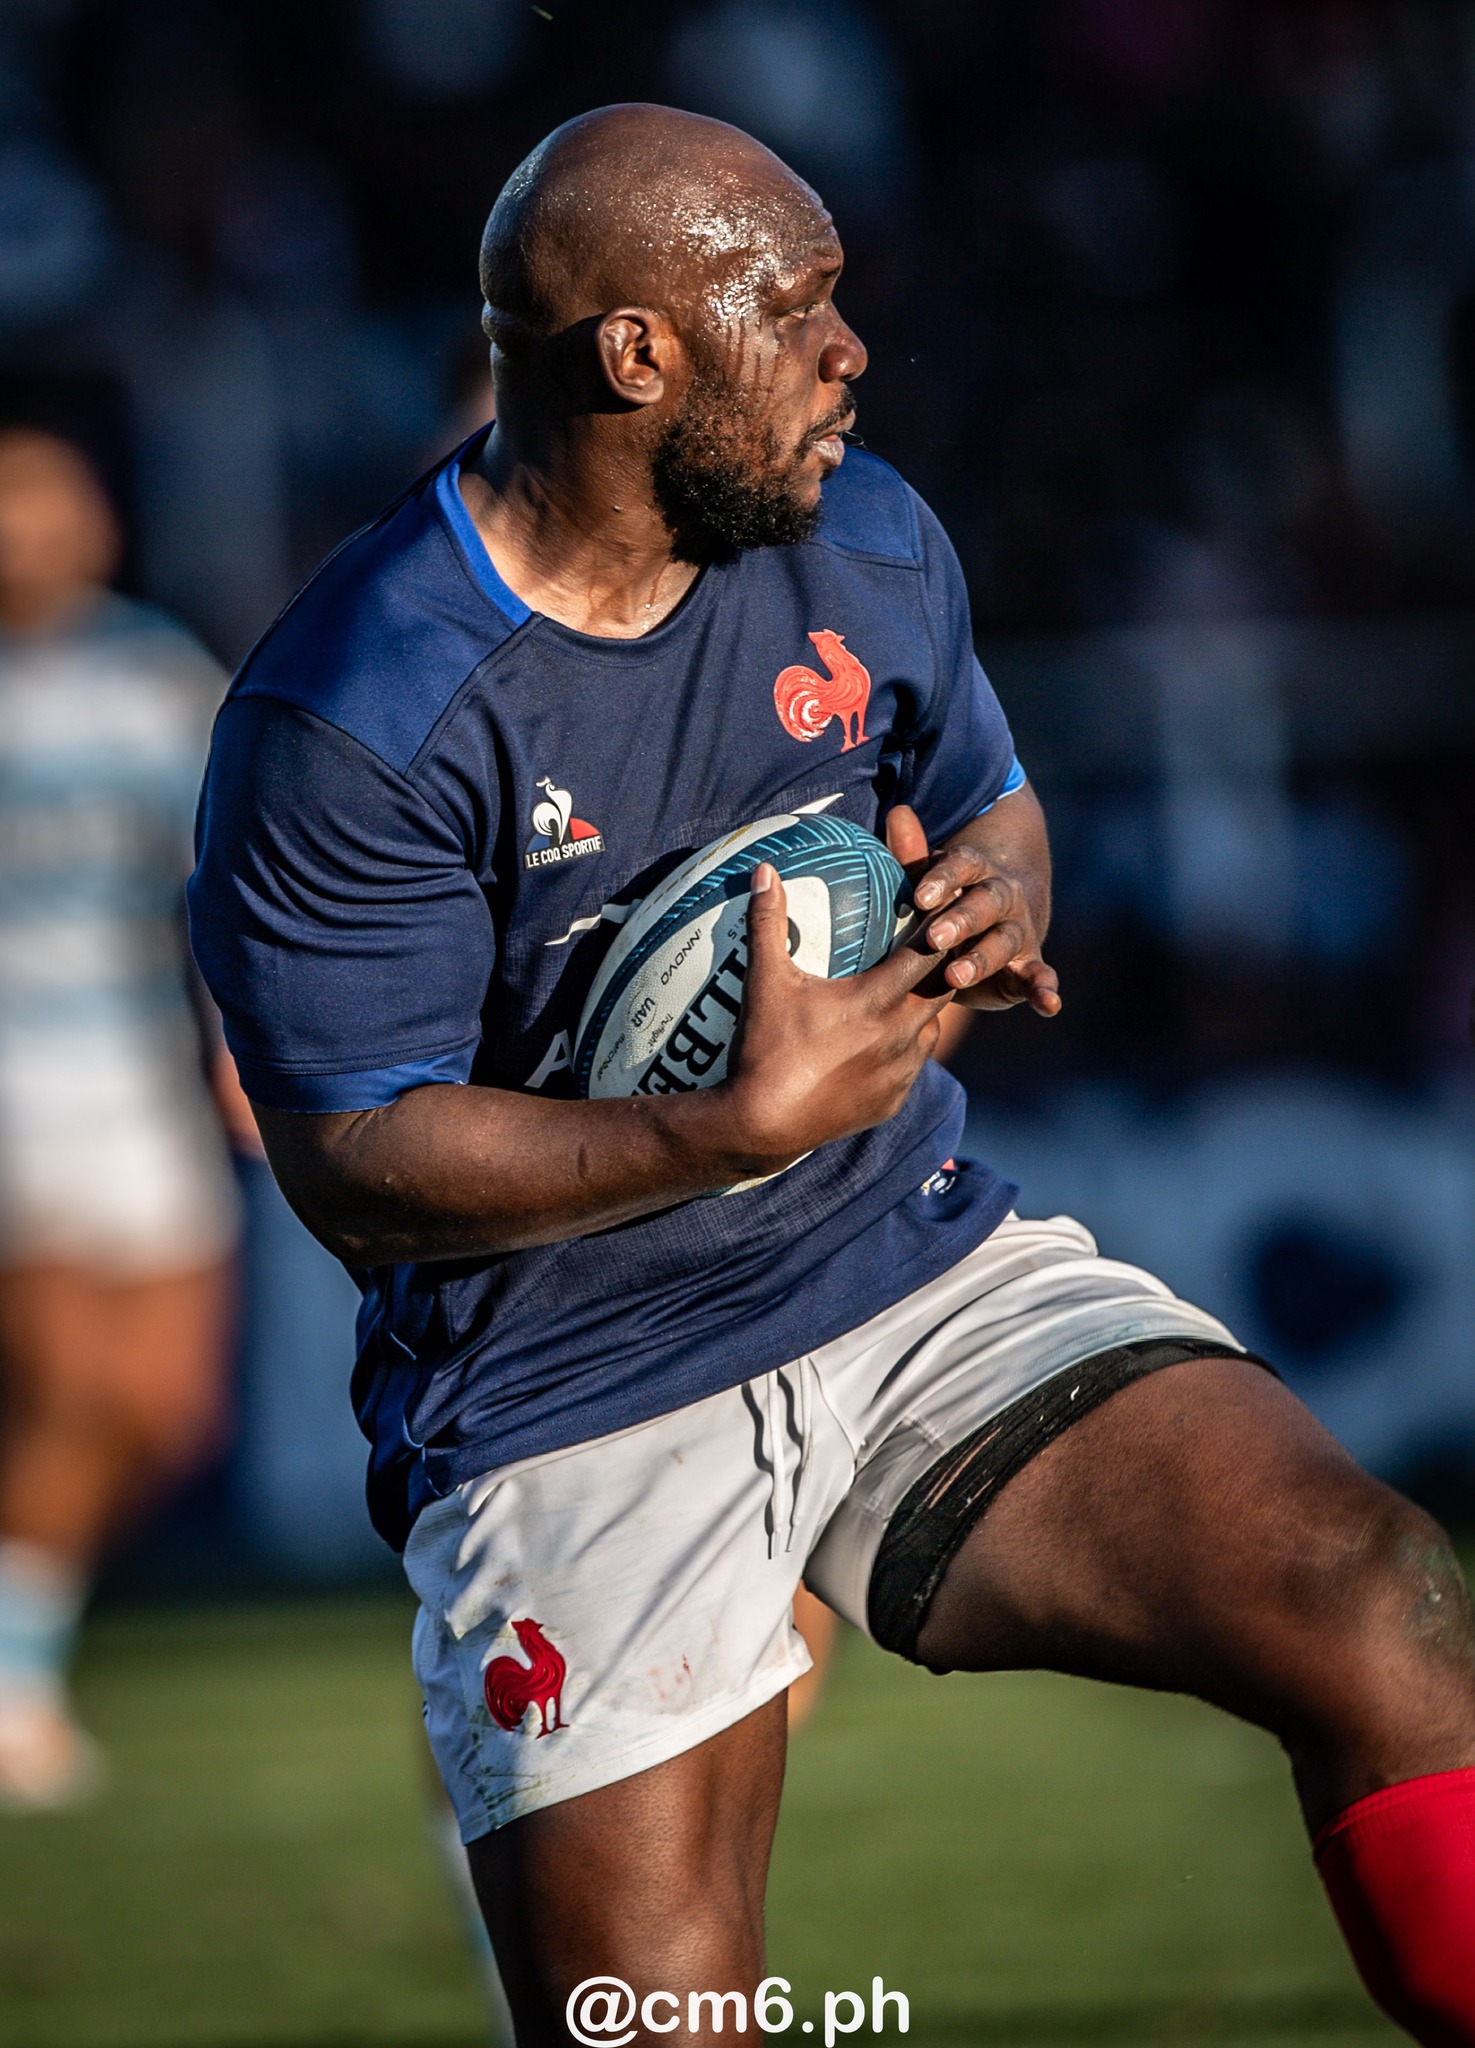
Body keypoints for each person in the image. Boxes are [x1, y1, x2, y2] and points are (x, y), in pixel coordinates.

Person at [189, 108, 1475, 2046]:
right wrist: (724, 1130)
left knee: (1371, 1587)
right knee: (658, 2022)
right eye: (793, 307)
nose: (849, 351)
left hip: (905, 1262)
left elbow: (995, 803)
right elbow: (353, 1160)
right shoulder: (351, 712)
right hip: (571, 1390)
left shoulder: (862, 532)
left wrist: (992, 900)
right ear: (638, 356)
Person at [0, 427, 244, 1808]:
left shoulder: (153, 677)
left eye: (51, 504)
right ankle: (13, 1684)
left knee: (165, 1414)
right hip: (16, 1082)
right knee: (63, 1389)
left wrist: (236, 1043)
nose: (29, 534)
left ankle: (22, 1624)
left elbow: (226, 880)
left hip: (138, 1076)